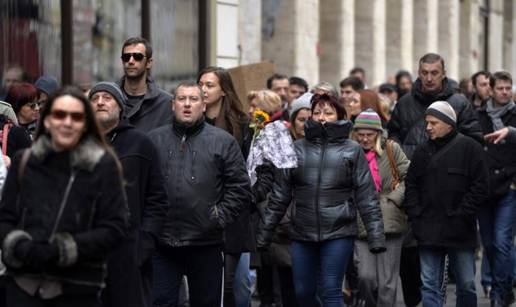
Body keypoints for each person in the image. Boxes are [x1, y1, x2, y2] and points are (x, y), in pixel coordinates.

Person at [0, 86, 129, 307]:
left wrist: (66, 248)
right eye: (59, 114)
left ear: (85, 123)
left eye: (76, 116)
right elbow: (5, 217)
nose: (67, 122)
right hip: (22, 285)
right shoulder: (24, 161)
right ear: (47, 120)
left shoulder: (102, 166)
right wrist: (19, 245)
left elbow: (115, 227)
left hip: (76, 288)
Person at [257, 93, 386, 306]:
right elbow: (280, 195)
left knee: (330, 291)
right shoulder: (297, 149)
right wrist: (264, 234)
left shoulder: (352, 150)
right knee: (303, 292)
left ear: (340, 116)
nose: (322, 117)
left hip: (339, 231)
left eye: (328, 112)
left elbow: (367, 195)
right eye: (317, 112)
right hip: (302, 232)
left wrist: (376, 236)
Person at [388, 53, 483, 307]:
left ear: (443, 73)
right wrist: (415, 210)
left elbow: (476, 152)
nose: (428, 78)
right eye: (424, 73)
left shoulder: (460, 103)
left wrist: (450, 153)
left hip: (456, 207)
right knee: (426, 279)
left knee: (465, 282)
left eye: (434, 73)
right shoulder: (405, 103)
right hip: (423, 206)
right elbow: (392, 138)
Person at [149, 82, 251, 307]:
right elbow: (144, 186)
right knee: (160, 301)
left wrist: (217, 217)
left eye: (193, 99)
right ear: (172, 105)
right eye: (181, 99)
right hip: (163, 243)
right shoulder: (153, 140)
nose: (187, 104)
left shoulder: (223, 141)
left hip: (206, 242)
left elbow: (239, 187)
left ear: (203, 105)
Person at [88, 82, 169, 307]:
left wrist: (143, 246)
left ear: (121, 107)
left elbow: (157, 199)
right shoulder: (77, 143)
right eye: (95, 99)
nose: (100, 102)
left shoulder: (141, 143)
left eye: (107, 98)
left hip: (129, 255)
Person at [405, 101, 488, 307]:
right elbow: (412, 185)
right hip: (428, 229)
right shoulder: (422, 151)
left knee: (467, 284)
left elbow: (480, 187)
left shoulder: (471, 148)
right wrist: (416, 215)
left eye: (434, 123)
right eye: (427, 123)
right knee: (429, 284)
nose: (428, 127)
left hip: (460, 230)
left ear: (449, 123)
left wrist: (462, 214)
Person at [197, 66, 255, 307]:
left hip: (234, 214)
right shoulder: (193, 122)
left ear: (223, 91)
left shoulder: (241, 125)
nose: (202, 89)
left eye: (209, 85)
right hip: (201, 211)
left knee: (235, 285)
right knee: (212, 284)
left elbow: (251, 169)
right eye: (200, 84)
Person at [351, 109, 410, 307]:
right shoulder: (350, 151)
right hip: (361, 221)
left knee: (387, 283)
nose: (365, 139)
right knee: (366, 277)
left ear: (378, 133)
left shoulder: (391, 149)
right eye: (361, 134)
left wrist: (393, 199)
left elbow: (409, 176)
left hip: (389, 221)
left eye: (369, 135)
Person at [477, 71, 516, 307]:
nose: (505, 92)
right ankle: (507, 283)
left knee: (503, 241)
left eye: (508, 87)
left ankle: (499, 293)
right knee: (489, 244)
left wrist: (511, 133)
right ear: (490, 90)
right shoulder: (479, 115)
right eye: (500, 88)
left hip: (509, 187)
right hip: (484, 187)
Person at [117, 37, 172, 132]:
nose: (130, 61)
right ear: (122, 61)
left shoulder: (167, 103)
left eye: (137, 57)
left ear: (149, 63)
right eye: (126, 57)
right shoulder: (108, 99)